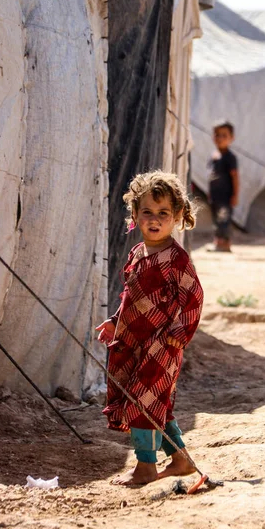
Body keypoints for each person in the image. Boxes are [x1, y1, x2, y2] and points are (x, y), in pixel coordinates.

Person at [96, 171, 204, 486]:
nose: (154, 220)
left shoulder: (176, 260)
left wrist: (181, 332)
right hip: (134, 342)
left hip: (161, 345)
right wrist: (116, 320)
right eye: (147, 212)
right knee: (154, 401)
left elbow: (194, 297)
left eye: (163, 214)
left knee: (144, 400)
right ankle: (181, 460)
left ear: (178, 217)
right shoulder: (137, 254)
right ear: (135, 215)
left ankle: (145, 467)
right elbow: (131, 296)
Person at [207, 120, 240, 253]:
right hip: (215, 196)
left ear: (232, 138)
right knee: (216, 220)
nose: (220, 138)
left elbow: (235, 177)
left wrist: (235, 195)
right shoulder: (214, 156)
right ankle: (217, 242)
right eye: (217, 135)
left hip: (226, 196)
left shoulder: (230, 157)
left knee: (224, 219)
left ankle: (224, 244)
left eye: (224, 135)